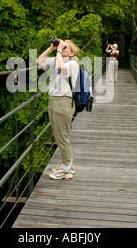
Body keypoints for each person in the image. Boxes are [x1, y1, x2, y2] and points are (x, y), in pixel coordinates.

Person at [37, 39, 80, 180]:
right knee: (57, 135)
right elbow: (39, 61)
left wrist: (59, 51)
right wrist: (52, 48)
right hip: (53, 100)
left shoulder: (73, 64)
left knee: (62, 137)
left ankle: (66, 168)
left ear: (72, 53)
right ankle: (67, 163)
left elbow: (61, 67)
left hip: (63, 102)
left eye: (65, 47)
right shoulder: (57, 59)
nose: (62, 48)